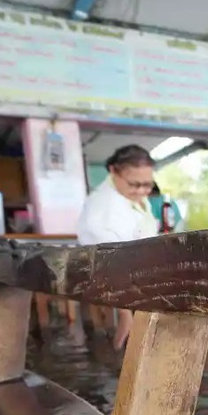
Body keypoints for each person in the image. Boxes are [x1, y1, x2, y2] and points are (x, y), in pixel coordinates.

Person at [76, 144, 161, 349]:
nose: (141, 191)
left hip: (142, 274)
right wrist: (124, 313)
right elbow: (108, 260)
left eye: (147, 185)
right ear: (113, 171)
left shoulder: (131, 198)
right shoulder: (103, 207)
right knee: (131, 344)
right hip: (118, 283)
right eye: (134, 184)